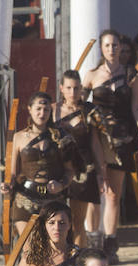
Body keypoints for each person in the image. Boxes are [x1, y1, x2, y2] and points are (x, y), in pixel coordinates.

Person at [83, 29, 138, 263]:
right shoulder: (91, 75)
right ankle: (93, 242)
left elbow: (137, 107)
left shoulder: (131, 75)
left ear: (121, 47)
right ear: (101, 48)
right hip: (97, 137)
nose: (112, 49)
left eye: (115, 45)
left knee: (113, 194)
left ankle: (110, 244)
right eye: (107, 45)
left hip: (121, 138)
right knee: (94, 192)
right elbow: (78, 105)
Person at [2, 92, 74, 237]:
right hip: (25, 198)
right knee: (28, 244)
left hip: (53, 199)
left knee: (51, 244)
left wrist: (61, 185)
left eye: (46, 110)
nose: (42, 113)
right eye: (38, 109)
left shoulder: (60, 137)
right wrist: (7, 185)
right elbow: (12, 172)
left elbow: (70, 171)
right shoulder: (19, 137)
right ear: (30, 109)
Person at [56, 70, 106, 248]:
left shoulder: (88, 111)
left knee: (78, 221)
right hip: (57, 168)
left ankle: (79, 258)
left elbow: (95, 143)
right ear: (61, 88)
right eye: (69, 88)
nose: (73, 92)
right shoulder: (52, 110)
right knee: (57, 220)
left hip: (83, 168)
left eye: (76, 88)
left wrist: (101, 172)